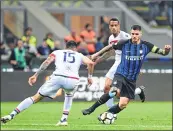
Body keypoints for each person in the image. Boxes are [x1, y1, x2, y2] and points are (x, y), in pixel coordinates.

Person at [84, 25, 171, 120]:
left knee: (123, 104)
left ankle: (106, 114)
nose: (134, 36)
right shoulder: (124, 43)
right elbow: (110, 47)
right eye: (132, 34)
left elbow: (162, 52)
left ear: (140, 34)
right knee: (113, 91)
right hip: (121, 73)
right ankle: (91, 109)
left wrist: (167, 50)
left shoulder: (147, 46)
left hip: (132, 79)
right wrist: (96, 55)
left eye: (136, 34)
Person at [1, 41, 94, 126]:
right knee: (69, 95)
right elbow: (91, 63)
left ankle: (12, 115)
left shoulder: (57, 52)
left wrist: (36, 75)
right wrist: (89, 78)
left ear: (66, 47)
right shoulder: (79, 55)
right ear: (75, 48)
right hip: (73, 80)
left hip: (58, 77)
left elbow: (47, 62)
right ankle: (64, 119)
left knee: (36, 97)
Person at [83, 18, 145, 115]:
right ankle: (136, 92)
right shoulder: (111, 38)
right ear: (109, 27)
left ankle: (109, 113)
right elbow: (111, 52)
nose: (114, 27)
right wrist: (97, 61)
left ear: (119, 26)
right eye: (112, 26)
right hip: (117, 63)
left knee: (117, 93)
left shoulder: (125, 36)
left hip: (126, 64)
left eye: (116, 25)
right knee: (107, 87)